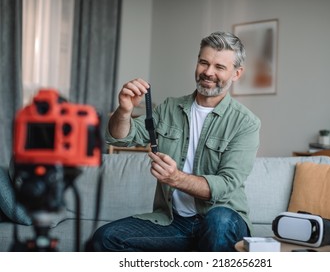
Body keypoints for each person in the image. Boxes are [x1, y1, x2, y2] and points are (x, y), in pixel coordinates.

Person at [91, 31, 261, 252]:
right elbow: (121, 138)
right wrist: (124, 110)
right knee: (105, 238)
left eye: (219, 67)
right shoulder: (170, 108)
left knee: (218, 220)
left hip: (224, 220)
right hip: (174, 222)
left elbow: (225, 185)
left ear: (236, 73)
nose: (208, 72)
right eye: (203, 63)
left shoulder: (246, 123)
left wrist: (176, 178)